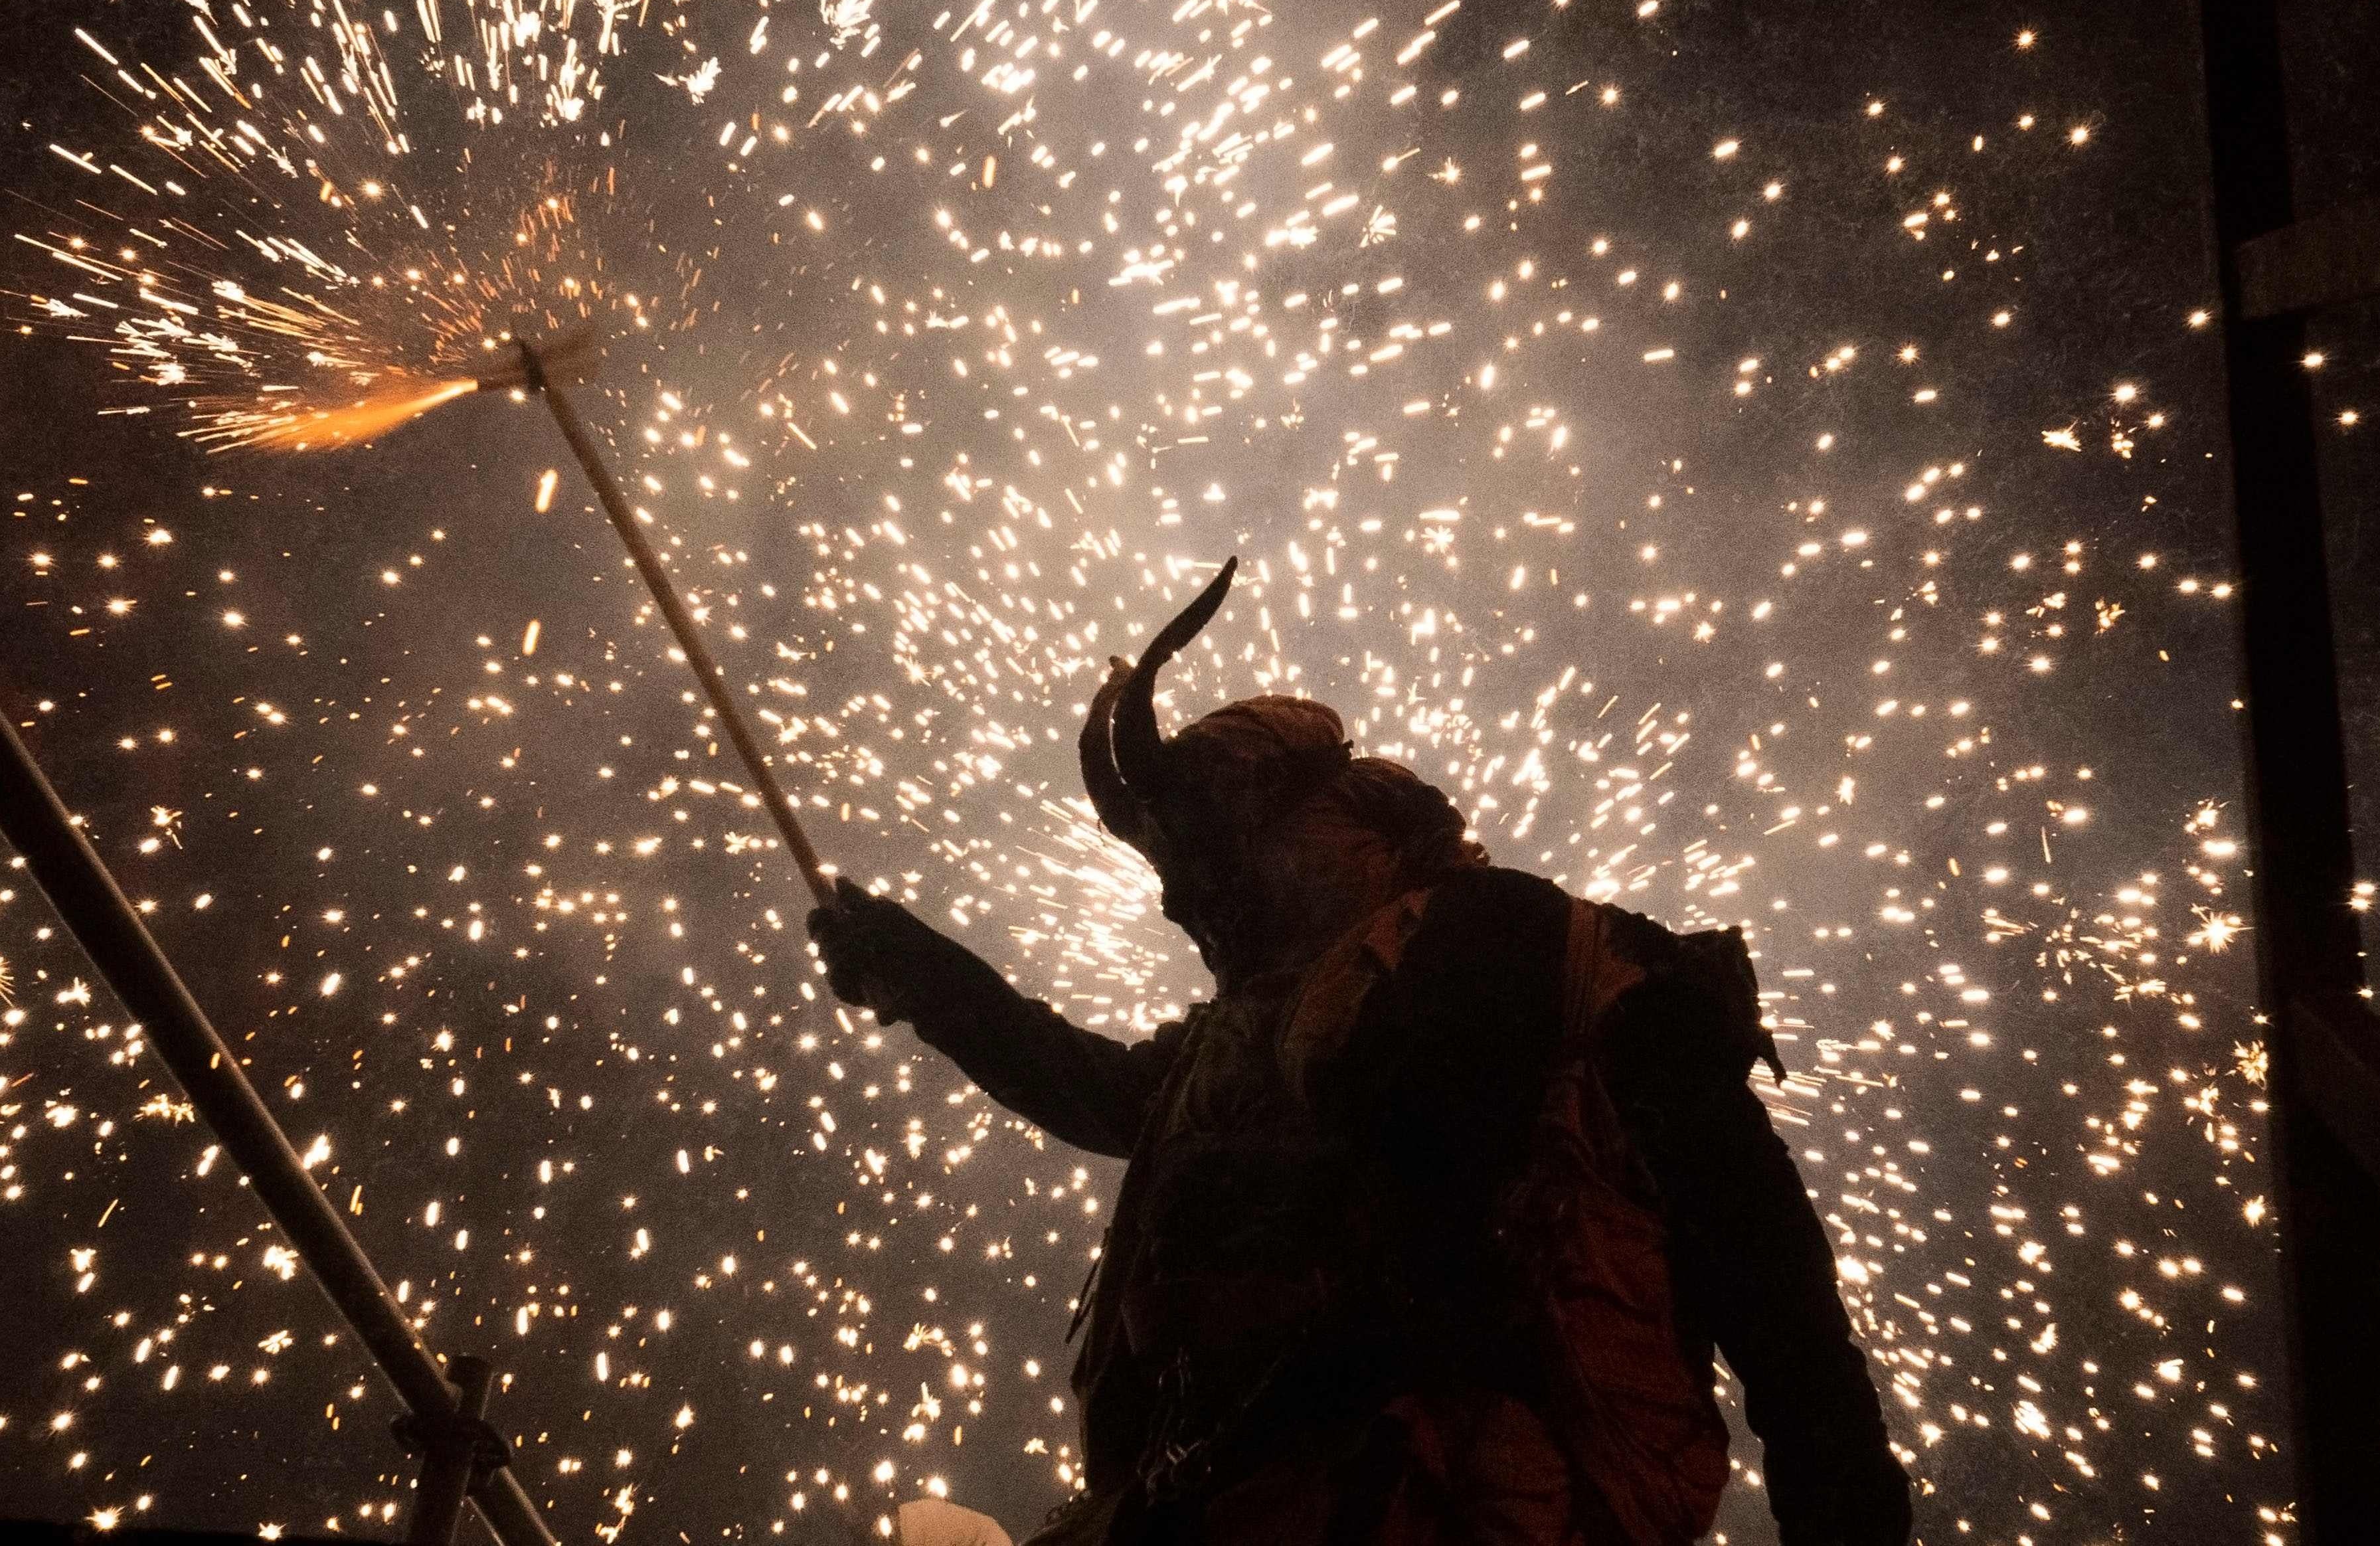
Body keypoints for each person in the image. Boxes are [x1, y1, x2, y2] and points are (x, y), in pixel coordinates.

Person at [809, 560, 1912, 1546]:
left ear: (1343, 822)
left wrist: (1847, 1514)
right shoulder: (1235, 1050)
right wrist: (923, 974)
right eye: (1175, 873)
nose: (1184, 903)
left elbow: (1768, 1273)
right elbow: (1087, 1088)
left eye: (1212, 854)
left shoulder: (1556, 960)